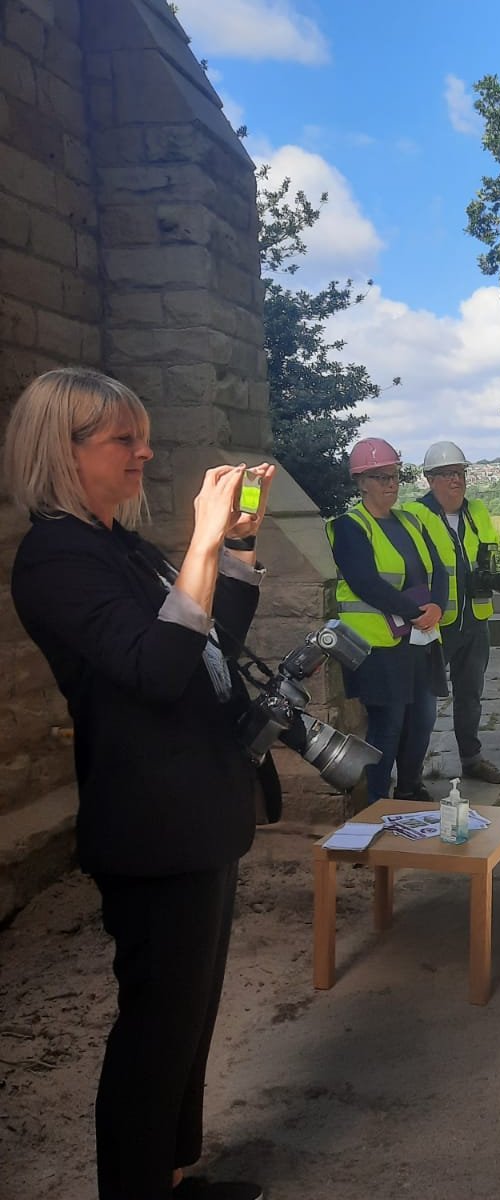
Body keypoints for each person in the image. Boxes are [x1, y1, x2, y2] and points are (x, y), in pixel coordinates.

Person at [4, 366, 276, 1200]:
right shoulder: (56, 558)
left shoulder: (118, 544)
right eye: (124, 438)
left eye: (142, 435)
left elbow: (209, 647)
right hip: (153, 828)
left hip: (200, 812)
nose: (145, 453)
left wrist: (233, 545)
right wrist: (197, 541)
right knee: (156, 1032)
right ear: (65, 449)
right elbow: (156, 671)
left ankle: (169, 1174)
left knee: (189, 1024)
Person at [326, 438, 448, 804]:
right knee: (388, 726)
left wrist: (437, 607)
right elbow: (366, 584)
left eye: (394, 475)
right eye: (380, 477)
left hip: (420, 640)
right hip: (379, 647)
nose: (391, 484)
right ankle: (375, 803)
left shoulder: (410, 520)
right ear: (361, 482)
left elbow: (438, 570)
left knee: (423, 718)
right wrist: (417, 613)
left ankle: (409, 787)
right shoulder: (350, 527)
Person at [403, 440, 500, 786]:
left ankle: (472, 759)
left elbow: (479, 557)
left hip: (475, 621)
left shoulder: (476, 512)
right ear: (429, 479)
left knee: (470, 696)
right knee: (421, 703)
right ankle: (411, 773)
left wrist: (491, 578)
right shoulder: (415, 516)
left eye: (460, 472)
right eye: (447, 474)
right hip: (435, 624)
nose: (456, 480)